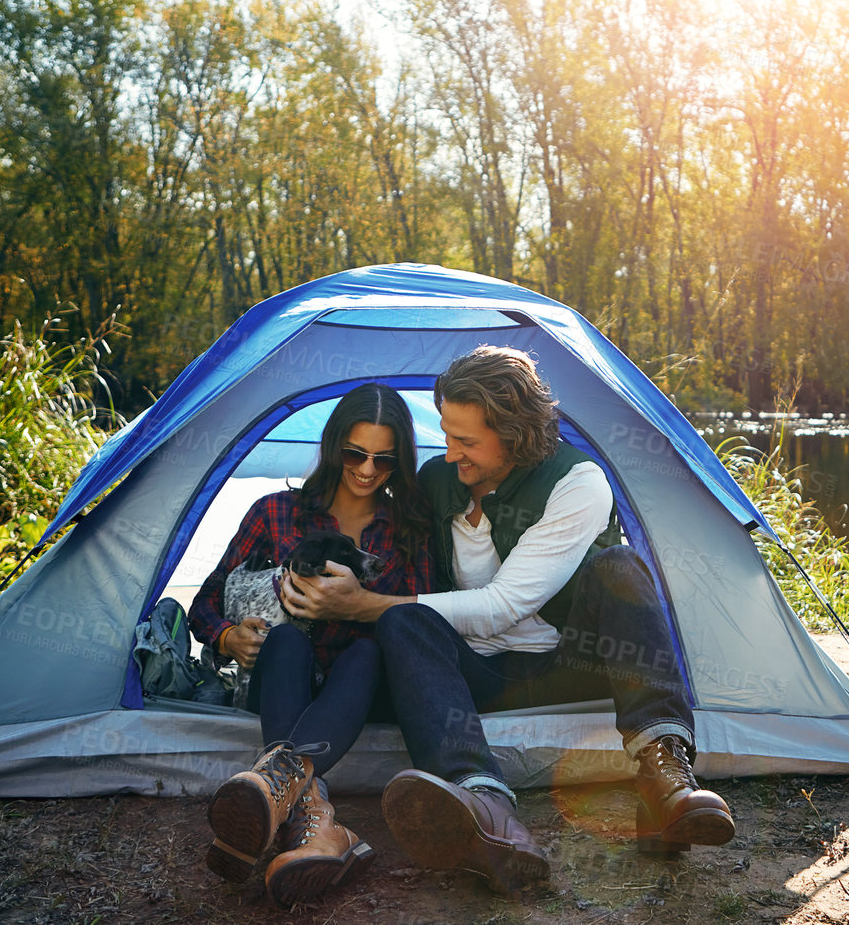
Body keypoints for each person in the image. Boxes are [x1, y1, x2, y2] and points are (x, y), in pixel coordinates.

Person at [281, 346, 734, 897]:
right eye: (447, 434)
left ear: (516, 434)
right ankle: (486, 808)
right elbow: (379, 532)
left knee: (620, 566)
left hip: (567, 662)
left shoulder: (577, 482)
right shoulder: (436, 481)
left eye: (466, 441)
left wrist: (361, 605)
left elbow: (502, 605)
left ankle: (663, 770)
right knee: (404, 623)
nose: (450, 454)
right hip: (473, 674)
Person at [187, 381, 434, 907]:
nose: (367, 469)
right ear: (333, 445)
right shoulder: (274, 512)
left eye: (385, 460)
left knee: (367, 651)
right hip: (281, 682)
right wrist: (229, 638)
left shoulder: (410, 528)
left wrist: (359, 604)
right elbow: (205, 601)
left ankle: (283, 791)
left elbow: (429, 617)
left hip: (360, 691)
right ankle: (315, 819)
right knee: (286, 643)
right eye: (355, 453)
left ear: (401, 462)